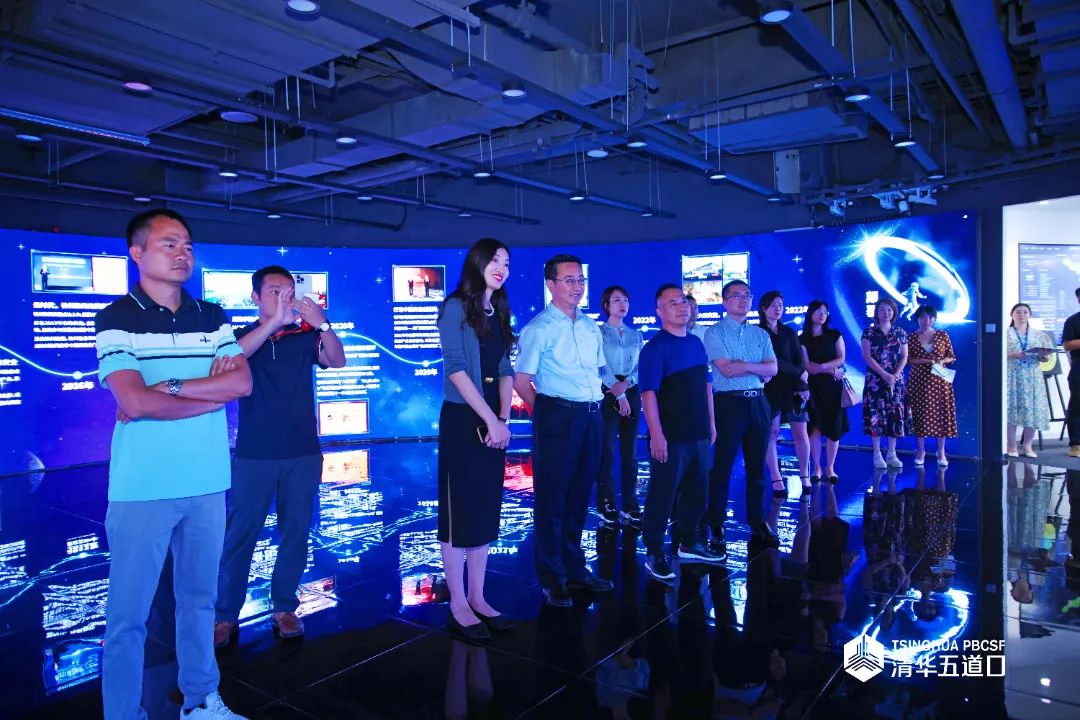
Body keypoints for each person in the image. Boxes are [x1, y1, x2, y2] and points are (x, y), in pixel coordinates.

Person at [95, 209, 251, 720]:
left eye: (187, 244)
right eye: (169, 244)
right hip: (143, 487)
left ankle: (201, 700)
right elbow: (134, 401)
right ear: (137, 253)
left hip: (207, 481)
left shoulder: (212, 316)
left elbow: (241, 383)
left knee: (200, 602)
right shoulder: (117, 317)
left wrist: (174, 386)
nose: (183, 253)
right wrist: (209, 397)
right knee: (128, 617)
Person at [213, 266, 346, 649]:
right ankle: (225, 614)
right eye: (275, 291)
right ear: (255, 298)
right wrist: (272, 324)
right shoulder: (240, 337)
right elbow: (232, 359)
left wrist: (322, 325)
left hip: (302, 452)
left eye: (289, 291)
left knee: (296, 532)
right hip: (255, 454)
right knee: (241, 534)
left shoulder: (304, 335)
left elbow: (337, 360)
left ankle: (285, 607)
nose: (285, 298)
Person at [514, 254, 613, 607]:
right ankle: (552, 578)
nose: (577, 287)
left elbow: (598, 371)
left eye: (580, 280)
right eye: (569, 280)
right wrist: (546, 413)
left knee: (580, 495)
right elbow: (522, 381)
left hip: (592, 415)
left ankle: (575, 568)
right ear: (551, 284)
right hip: (558, 415)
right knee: (552, 499)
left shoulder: (589, 326)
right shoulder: (538, 328)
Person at [435, 238, 516, 640]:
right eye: (495, 260)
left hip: (492, 419)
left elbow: (504, 367)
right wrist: (490, 419)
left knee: (483, 509)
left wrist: (502, 418)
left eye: (507, 262)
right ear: (478, 262)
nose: (502, 267)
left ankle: (478, 598)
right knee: (458, 513)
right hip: (463, 417)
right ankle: (458, 603)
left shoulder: (498, 309)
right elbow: (455, 368)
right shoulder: (454, 307)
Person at [638, 284, 722, 584]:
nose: (681, 306)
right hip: (671, 436)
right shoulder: (654, 348)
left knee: (697, 490)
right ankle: (654, 551)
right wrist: (656, 435)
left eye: (684, 301)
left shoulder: (696, 343)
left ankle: (689, 542)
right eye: (672, 303)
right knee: (662, 494)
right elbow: (648, 394)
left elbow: (707, 386)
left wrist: (711, 424)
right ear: (659, 311)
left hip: (699, 432)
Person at [703, 279, 778, 553]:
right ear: (725, 302)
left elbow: (773, 369)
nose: (743, 299)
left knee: (757, 467)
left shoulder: (761, 334)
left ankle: (758, 521)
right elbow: (726, 369)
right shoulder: (714, 332)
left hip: (758, 402)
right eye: (737, 295)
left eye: (747, 295)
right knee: (722, 466)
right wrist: (758, 368)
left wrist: (745, 366)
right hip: (729, 404)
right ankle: (716, 523)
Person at [596, 285, 644, 529]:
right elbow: (598, 365)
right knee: (606, 451)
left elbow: (640, 367)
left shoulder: (636, 335)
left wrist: (627, 385)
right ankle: (606, 504)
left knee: (630, 452)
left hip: (631, 390)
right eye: (616, 300)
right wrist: (618, 391)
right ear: (606, 305)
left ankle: (630, 504)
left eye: (625, 300)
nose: (622, 304)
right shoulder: (598, 333)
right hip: (606, 392)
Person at [758, 291, 811, 496]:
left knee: (801, 432)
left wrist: (802, 385)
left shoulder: (789, 331)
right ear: (763, 308)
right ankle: (776, 477)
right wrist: (799, 372)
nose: (778, 308)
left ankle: (805, 475)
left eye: (780, 305)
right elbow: (773, 362)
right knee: (771, 432)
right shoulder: (758, 332)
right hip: (769, 388)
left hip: (793, 388)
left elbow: (799, 360)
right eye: (773, 305)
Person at [800, 301, 848, 484]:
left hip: (833, 387)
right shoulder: (802, 339)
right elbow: (807, 366)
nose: (822, 314)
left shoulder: (834, 334)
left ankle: (830, 468)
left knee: (834, 428)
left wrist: (822, 367)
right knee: (815, 427)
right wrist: (830, 370)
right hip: (813, 388)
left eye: (825, 312)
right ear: (810, 313)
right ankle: (817, 467)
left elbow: (841, 358)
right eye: (818, 311)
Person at [861, 297, 911, 469]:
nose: (886, 313)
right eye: (882, 309)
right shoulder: (869, 332)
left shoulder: (900, 333)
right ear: (876, 312)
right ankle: (876, 453)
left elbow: (904, 357)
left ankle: (892, 454)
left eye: (889, 310)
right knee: (876, 415)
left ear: (894, 312)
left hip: (895, 382)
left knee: (893, 415)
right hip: (875, 381)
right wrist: (883, 374)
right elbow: (867, 356)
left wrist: (895, 375)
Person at [906, 305, 958, 466]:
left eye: (930, 317)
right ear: (917, 319)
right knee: (919, 414)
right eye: (922, 317)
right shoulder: (911, 337)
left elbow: (952, 356)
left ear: (934, 319)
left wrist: (942, 361)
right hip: (918, 381)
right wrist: (925, 361)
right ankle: (921, 450)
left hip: (939, 380)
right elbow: (907, 360)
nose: (926, 320)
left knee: (941, 414)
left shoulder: (942, 335)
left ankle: (941, 451)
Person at [1006, 302, 1054, 457]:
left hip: (1033, 377)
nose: (1022, 315)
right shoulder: (1005, 333)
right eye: (1018, 312)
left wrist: (1043, 356)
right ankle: (1011, 446)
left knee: (1033, 410)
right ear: (1012, 315)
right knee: (1011, 409)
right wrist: (1014, 355)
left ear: (1030, 315)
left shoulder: (1039, 335)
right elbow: (995, 354)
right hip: (1012, 376)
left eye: (1025, 312)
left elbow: (1047, 358)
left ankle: (1028, 447)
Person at [1062, 288, 1080, 458]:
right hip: (1079, 365)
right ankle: (1076, 444)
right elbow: (1067, 345)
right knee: (1077, 404)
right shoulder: (1073, 320)